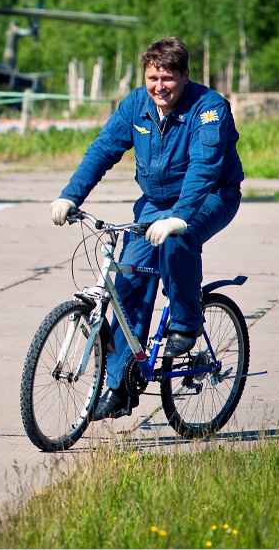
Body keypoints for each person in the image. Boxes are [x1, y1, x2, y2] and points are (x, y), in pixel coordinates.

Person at [50, 36, 244, 420]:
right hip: (155, 203)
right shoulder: (136, 104)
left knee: (178, 240)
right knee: (128, 286)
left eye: (168, 78)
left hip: (211, 196)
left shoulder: (209, 109)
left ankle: (186, 324)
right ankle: (121, 387)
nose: (160, 86)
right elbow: (104, 149)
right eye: (153, 77)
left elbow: (204, 169)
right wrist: (71, 196)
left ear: (185, 76)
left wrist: (181, 216)